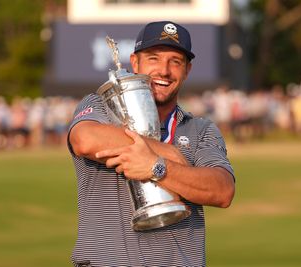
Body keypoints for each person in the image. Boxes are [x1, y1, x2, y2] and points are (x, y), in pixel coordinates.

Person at [68, 21, 235, 267]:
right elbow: (84, 139)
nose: (164, 71)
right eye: (154, 59)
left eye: (175, 62)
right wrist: (167, 152)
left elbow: (222, 191)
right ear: (135, 63)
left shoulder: (200, 129)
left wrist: (158, 167)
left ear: (187, 70)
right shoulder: (102, 106)